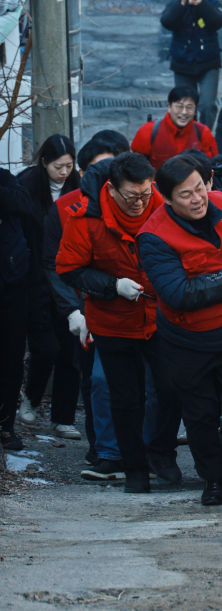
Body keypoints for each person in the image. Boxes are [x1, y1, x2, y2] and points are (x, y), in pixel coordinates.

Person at [138, 155, 222, 506]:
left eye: (200, 188)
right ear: (165, 198)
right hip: (186, 341)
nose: (197, 199)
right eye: (186, 194)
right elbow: (177, 293)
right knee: (201, 415)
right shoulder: (152, 236)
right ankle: (212, 479)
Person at [56, 152, 182, 494]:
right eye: (132, 196)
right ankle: (134, 468)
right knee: (125, 398)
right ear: (111, 190)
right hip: (112, 321)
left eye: (146, 193)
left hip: (160, 317)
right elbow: (69, 269)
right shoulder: (86, 218)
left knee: (172, 387)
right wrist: (112, 287)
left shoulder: (164, 206)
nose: (140, 203)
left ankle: (161, 453)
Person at [40, 133, 130, 477]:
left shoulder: (139, 201)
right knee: (95, 380)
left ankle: (138, 448)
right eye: (96, 169)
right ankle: (103, 449)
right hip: (84, 308)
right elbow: (54, 263)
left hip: (132, 306)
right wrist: (72, 311)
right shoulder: (65, 207)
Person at [17, 135, 82, 439]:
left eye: (69, 165)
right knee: (46, 348)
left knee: (70, 351)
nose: (64, 172)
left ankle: (63, 417)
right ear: (44, 162)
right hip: (34, 278)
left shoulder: (77, 188)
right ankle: (30, 398)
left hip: (67, 276)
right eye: (58, 166)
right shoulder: (27, 187)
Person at [160, 0, 222, 130]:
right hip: (183, 62)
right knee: (184, 106)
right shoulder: (177, 2)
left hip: (208, 62)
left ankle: (205, 137)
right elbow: (167, 22)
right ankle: (186, 140)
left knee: (206, 105)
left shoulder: (211, 3)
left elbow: (218, 22)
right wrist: (182, 4)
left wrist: (201, 4)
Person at [0, 166, 32, 450]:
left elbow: (23, 203)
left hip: (10, 285)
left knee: (11, 359)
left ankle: (6, 426)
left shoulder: (6, 180)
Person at [132, 85, 218, 169]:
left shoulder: (203, 132)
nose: (184, 112)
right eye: (179, 107)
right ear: (169, 107)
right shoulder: (148, 130)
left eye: (189, 107)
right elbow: (136, 167)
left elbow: (212, 166)